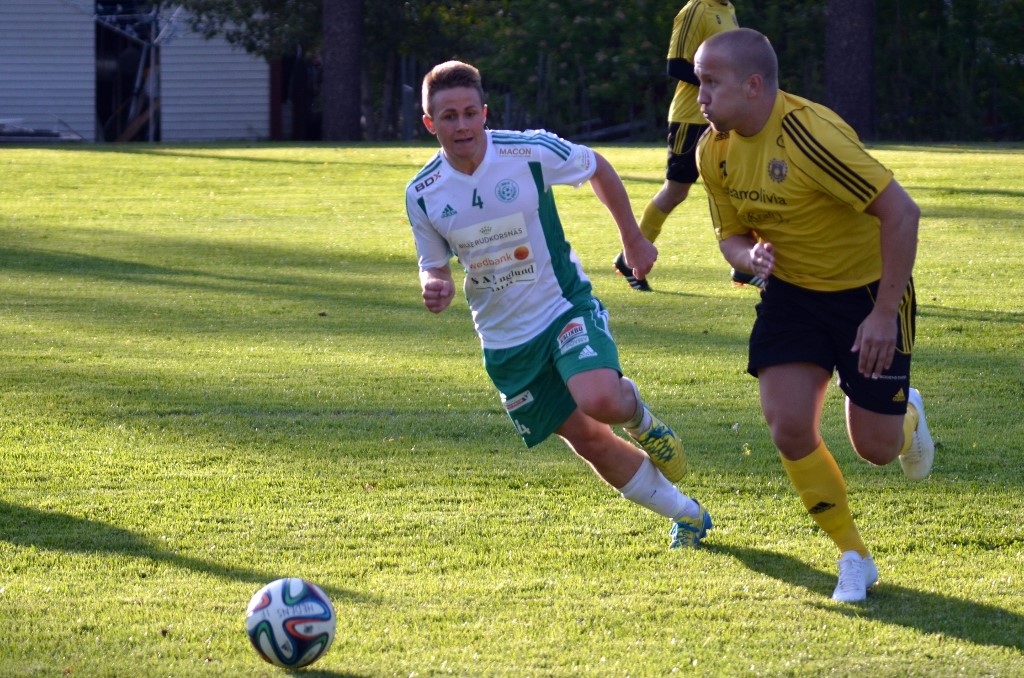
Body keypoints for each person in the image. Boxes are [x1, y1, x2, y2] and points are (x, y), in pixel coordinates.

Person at [406, 60, 711, 548]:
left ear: (484, 113)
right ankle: (688, 514)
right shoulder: (422, 193)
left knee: (600, 399)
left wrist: (633, 239)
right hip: (504, 339)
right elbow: (434, 264)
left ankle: (642, 421)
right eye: (448, 116)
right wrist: (434, 284)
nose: (461, 125)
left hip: (561, 306)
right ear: (430, 123)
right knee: (588, 439)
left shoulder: (527, 151)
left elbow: (597, 167)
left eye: (469, 113)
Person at [693, 29, 935, 601]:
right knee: (788, 424)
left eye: (709, 83)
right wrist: (748, 258)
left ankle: (906, 416)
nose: (698, 96)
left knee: (875, 449)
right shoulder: (713, 149)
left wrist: (882, 314)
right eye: (697, 82)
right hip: (793, 296)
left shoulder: (811, 136)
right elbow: (730, 237)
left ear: (753, 86)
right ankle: (854, 555)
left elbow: (902, 214)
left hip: (866, 295)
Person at [612, 0, 743, 292]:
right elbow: (676, 65)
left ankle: (744, 264)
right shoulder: (696, 9)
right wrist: (720, 81)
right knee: (675, 191)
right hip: (691, 118)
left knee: (737, 186)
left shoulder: (727, 9)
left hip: (724, 117)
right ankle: (630, 257)